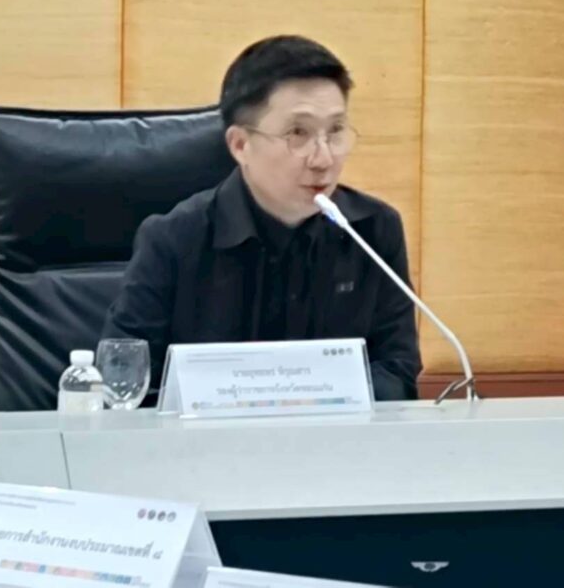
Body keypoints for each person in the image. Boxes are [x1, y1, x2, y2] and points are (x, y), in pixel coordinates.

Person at [101, 35, 423, 400]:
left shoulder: (373, 231)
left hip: (336, 436)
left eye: (335, 131)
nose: (323, 159)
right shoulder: (173, 240)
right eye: (298, 133)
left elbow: (398, 373)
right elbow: (123, 384)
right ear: (240, 145)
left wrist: (306, 405)